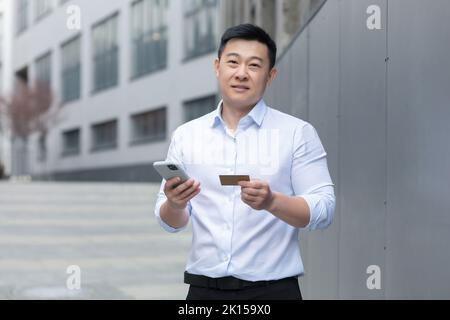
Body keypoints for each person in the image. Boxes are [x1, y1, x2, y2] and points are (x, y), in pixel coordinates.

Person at [154, 24, 335, 300]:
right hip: (203, 292)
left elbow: (324, 208)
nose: (241, 73)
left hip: (273, 291)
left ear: (270, 76)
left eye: (254, 65)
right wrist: (175, 204)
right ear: (217, 67)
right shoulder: (186, 135)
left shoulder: (297, 133)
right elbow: (170, 222)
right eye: (233, 62)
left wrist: (272, 202)